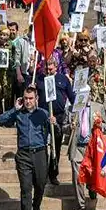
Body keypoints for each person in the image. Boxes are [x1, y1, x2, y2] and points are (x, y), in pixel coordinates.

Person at [0, 87, 53, 210]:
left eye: (31, 98)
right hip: (23, 155)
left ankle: (36, 205)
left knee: (40, 184)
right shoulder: (19, 114)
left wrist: (54, 123)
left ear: (36, 99)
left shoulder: (43, 114)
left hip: (40, 152)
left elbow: (56, 132)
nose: (28, 101)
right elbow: (1, 120)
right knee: (26, 188)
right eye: (26, 98)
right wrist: (15, 109)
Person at [35, 57, 76, 186]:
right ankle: (41, 173)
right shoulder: (39, 79)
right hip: (42, 116)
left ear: (56, 67)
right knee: (41, 146)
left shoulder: (63, 79)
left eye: (51, 68)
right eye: (46, 68)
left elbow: (72, 97)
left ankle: (53, 173)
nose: (48, 70)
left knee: (55, 146)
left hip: (58, 117)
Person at [0, 26, 15, 115]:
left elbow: (15, 57)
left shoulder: (11, 45)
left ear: (8, 36)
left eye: (5, 35)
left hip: (8, 74)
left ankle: (7, 115)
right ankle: (0, 115)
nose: (2, 37)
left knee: (7, 96)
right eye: (1, 34)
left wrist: (10, 61)